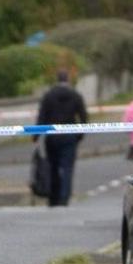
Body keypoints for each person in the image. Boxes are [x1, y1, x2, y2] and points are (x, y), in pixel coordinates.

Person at [34, 67, 88, 208]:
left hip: (52, 137)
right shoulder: (75, 95)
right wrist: (79, 135)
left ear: (57, 79)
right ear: (67, 79)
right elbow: (83, 117)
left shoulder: (48, 95)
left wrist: (36, 135)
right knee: (67, 167)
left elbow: (42, 116)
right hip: (69, 136)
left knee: (52, 166)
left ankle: (53, 197)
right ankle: (65, 198)